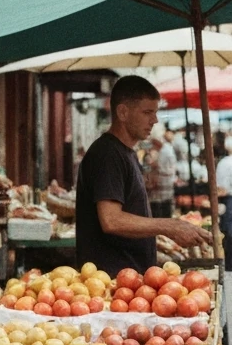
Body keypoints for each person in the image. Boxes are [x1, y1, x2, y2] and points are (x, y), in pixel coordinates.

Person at [75, 75, 209, 277]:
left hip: (130, 279)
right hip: (110, 281)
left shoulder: (126, 152)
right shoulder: (108, 154)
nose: (154, 120)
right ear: (123, 112)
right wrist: (169, 226)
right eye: (147, 112)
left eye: (155, 113)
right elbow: (111, 220)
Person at [143, 123, 177, 219]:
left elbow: (168, 171)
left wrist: (156, 168)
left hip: (163, 194)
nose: (151, 143)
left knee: (163, 217)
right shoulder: (159, 150)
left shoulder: (165, 151)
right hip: (157, 194)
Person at [215, 136, 232, 271]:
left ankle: (230, 264)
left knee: (229, 232)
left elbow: (221, 189)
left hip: (230, 200)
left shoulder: (225, 163)